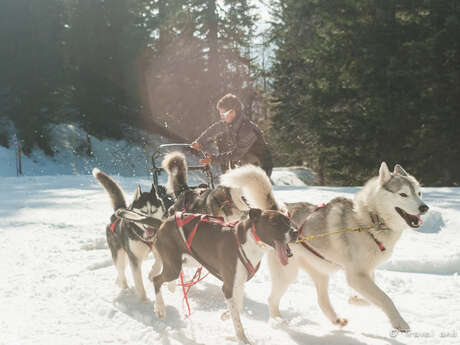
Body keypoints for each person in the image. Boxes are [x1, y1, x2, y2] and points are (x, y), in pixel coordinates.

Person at [191, 93, 273, 177]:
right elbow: (215, 129)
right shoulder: (230, 123)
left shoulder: (247, 131)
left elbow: (235, 155)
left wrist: (213, 159)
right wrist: (200, 141)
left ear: (232, 112)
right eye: (220, 114)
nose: (222, 117)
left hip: (261, 168)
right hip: (246, 164)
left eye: (223, 114)